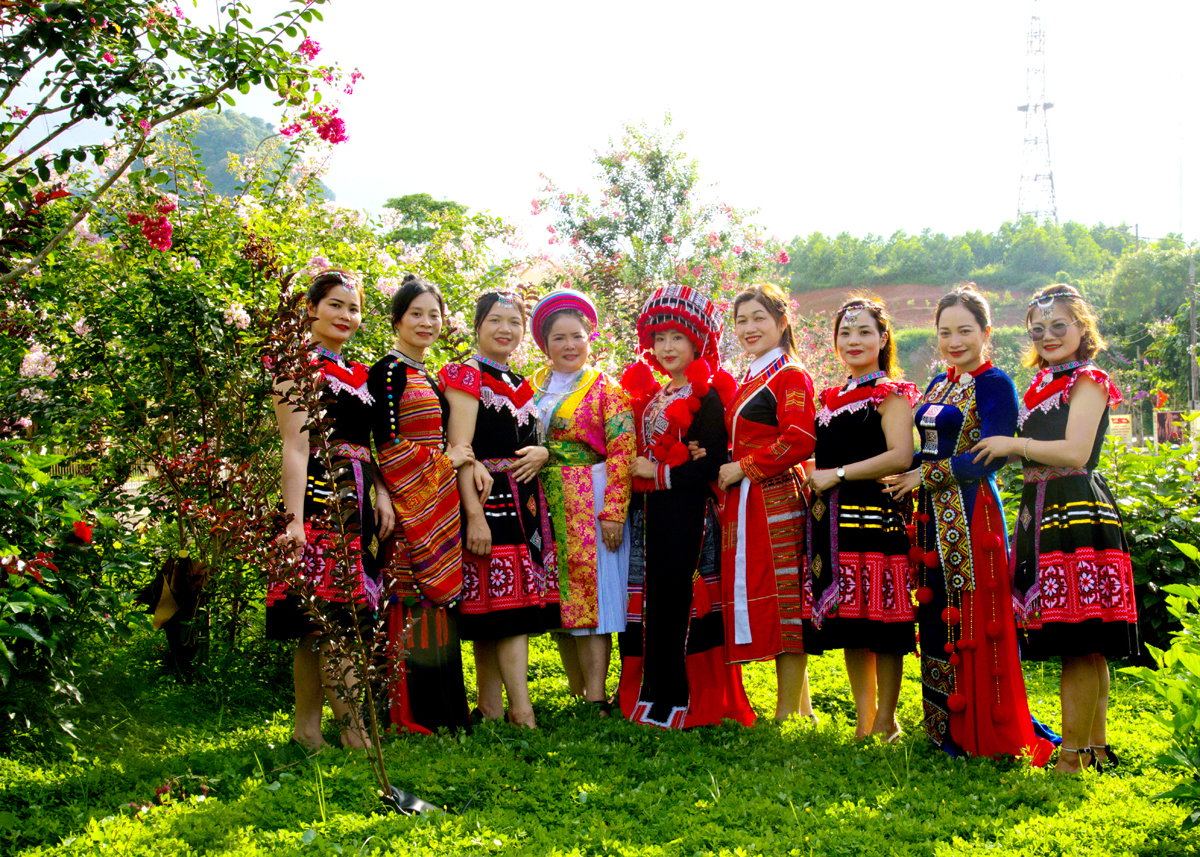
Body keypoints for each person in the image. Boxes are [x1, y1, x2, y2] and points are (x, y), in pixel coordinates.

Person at [882, 284, 1053, 764]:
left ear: (985, 331)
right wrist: (902, 468)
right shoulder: (939, 383)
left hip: (971, 512)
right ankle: (942, 728)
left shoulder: (995, 383)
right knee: (936, 611)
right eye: (945, 332)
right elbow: (931, 446)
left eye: (964, 331)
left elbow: (990, 455)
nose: (953, 340)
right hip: (932, 514)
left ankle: (979, 726)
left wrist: (925, 473)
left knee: (971, 616)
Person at [972, 284, 1138, 773]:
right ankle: (1096, 748)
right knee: (1085, 638)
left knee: (1080, 638)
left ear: (1082, 327)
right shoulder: (1041, 382)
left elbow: (1075, 451)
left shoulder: (1089, 378)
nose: (1047, 336)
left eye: (1058, 326)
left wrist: (1012, 444)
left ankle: (1073, 756)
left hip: (1075, 504)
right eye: (1038, 330)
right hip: (1041, 507)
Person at [616, 285, 756, 729]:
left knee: (681, 598)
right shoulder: (655, 397)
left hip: (688, 515)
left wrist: (655, 473)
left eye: (677, 338)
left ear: (696, 341)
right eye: (660, 339)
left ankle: (686, 695)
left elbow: (712, 465)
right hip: (652, 515)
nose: (667, 347)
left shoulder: (709, 396)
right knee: (653, 599)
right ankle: (653, 693)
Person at [268, 269, 393, 750]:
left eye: (354, 307)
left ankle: (306, 730)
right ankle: (357, 733)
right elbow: (295, 447)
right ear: (312, 309)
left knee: (319, 623)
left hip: (358, 501)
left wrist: (381, 491)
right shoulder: (295, 363)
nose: (346, 315)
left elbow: (364, 445)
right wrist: (294, 520)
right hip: (319, 502)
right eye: (336, 305)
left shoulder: (359, 374)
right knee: (332, 620)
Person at [367, 273, 480, 734]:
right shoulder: (387, 372)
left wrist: (460, 461)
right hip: (409, 505)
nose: (427, 322)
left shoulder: (426, 375)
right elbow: (387, 446)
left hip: (438, 503)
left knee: (436, 608)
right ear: (397, 319)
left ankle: (446, 710)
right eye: (416, 313)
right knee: (409, 600)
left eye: (434, 314)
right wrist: (444, 461)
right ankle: (412, 713)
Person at [440, 290, 558, 729]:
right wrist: (472, 514)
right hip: (488, 500)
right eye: (494, 320)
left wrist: (542, 454)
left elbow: (532, 440)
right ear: (477, 326)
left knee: (497, 606)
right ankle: (521, 711)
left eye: (513, 321)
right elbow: (460, 448)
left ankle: (490, 707)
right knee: (507, 611)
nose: (504, 329)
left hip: (524, 503)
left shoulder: (518, 381)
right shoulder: (465, 374)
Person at [803, 298, 918, 741]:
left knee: (885, 623)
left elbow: (900, 455)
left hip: (875, 516)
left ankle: (888, 720)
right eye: (845, 334)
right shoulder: (830, 398)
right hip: (834, 524)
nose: (854, 341)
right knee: (854, 623)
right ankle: (864, 719)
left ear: (883, 338)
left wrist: (839, 474)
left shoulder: (891, 393)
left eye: (865, 332)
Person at [530, 289, 634, 715]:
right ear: (545, 344)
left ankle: (595, 694)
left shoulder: (608, 388)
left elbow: (623, 451)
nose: (569, 346)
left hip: (588, 495)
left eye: (576, 336)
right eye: (558, 338)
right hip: (543, 497)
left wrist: (613, 512)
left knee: (594, 597)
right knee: (558, 595)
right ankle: (575, 688)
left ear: (590, 338)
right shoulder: (532, 387)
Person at [717, 283, 816, 722]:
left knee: (785, 597)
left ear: (781, 322)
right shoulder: (753, 377)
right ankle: (802, 707)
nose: (749, 327)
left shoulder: (789, 375)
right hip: (748, 501)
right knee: (771, 594)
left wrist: (746, 467)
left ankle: (786, 713)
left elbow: (800, 439)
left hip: (774, 497)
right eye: (741, 320)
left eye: (759, 318)